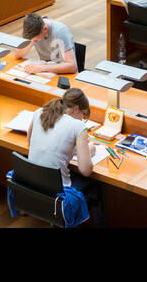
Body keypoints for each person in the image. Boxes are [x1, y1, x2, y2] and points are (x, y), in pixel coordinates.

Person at [23, 88, 104, 226]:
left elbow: (30, 141)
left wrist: (70, 150)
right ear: (77, 109)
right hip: (58, 193)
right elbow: (86, 170)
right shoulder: (77, 126)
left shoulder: (39, 112)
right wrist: (88, 149)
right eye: (83, 115)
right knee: (98, 185)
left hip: (33, 185)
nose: (82, 120)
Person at [12, 13, 78, 75]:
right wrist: (31, 41)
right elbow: (17, 55)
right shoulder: (32, 28)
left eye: (36, 40)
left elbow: (72, 66)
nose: (34, 42)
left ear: (45, 29)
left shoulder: (60, 32)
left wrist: (42, 68)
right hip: (46, 69)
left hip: (63, 71)